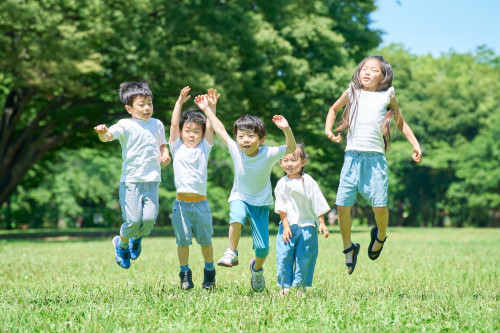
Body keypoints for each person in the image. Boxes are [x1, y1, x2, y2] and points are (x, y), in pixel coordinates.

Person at [324, 55, 422, 275]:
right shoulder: (352, 91)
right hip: (351, 157)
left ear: (383, 76)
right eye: (363, 69)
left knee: (379, 207)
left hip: (375, 160)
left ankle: (380, 236)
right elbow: (333, 110)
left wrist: (415, 145)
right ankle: (348, 247)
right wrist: (328, 130)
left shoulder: (387, 95)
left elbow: (401, 122)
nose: (366, 72)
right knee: (342, 206)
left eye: (373, 70)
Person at [194, 94, 296, 292]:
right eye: (241, 136)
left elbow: (291, 147)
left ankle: (256, 269)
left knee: (263, 249)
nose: (245, 140)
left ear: (261, 139)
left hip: (260, 203)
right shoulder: (235, 149)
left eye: (250, 136)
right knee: (236, 217)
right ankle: (231, 251)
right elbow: (220, 129)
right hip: (239, 196)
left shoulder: (269, 153)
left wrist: (286, 129)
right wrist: (207, 109)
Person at [94, 82, 171, 269]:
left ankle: (135, 239)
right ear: (129, 108)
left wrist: (165, 153)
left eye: (150, 103)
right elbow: (108, 136)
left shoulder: (157, 124)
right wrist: (102, 133)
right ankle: (121, 245)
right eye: (142, 104)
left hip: (152, 180)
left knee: (149, 220)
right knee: (133, 220)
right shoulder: (125, 125)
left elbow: (162, 143)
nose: (147, 108)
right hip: (131, 182)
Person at [169, 86, 219, 290]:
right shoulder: (176, 147)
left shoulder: (204, 149)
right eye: (188, 131)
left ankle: (209, 271)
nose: (192, 135)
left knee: (206, 241)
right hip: (181, 206)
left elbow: (211, 127)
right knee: (183, 243)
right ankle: (185, 274)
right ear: (180, 133)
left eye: (196, 132)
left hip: (201, 205)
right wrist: (179, 103)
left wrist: (211, 108)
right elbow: (173, 123)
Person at [274, 144, 330, 295]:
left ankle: (300, 286)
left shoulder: (309, 181)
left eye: (293, 160)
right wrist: (285, 226)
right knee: (284, 256)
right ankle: (285, 286)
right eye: (285, 160)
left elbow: (317, 201)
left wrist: (322, 223)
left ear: (303, 162)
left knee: (304, 257)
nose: (289, 164)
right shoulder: (281, 184)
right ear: (281, 163)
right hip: (287, 227)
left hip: (307, 226)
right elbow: (281, 207)